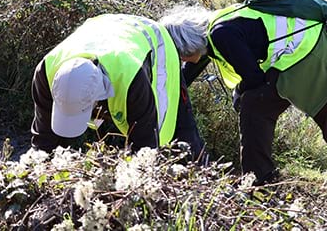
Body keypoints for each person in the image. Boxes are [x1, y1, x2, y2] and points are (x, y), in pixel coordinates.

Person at [160, 0, 327, 194]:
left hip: (308, 50)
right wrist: (166, 90)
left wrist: (240, 92)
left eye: (180, 54)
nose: (182, 59)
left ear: (188, 43)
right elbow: (185, 75)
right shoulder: (213, 29)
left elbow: (254, 79)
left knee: (255, 105)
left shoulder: (221, 35)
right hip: (313, 43)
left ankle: (259, 181)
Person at [31, 13, 205, 159]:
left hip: (154, 40)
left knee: (170, 131)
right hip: (104, 28)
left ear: (99, 96)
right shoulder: (45, 73)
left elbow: (146, 144)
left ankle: (198, 171)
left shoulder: (133, 80)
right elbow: (44, 138)